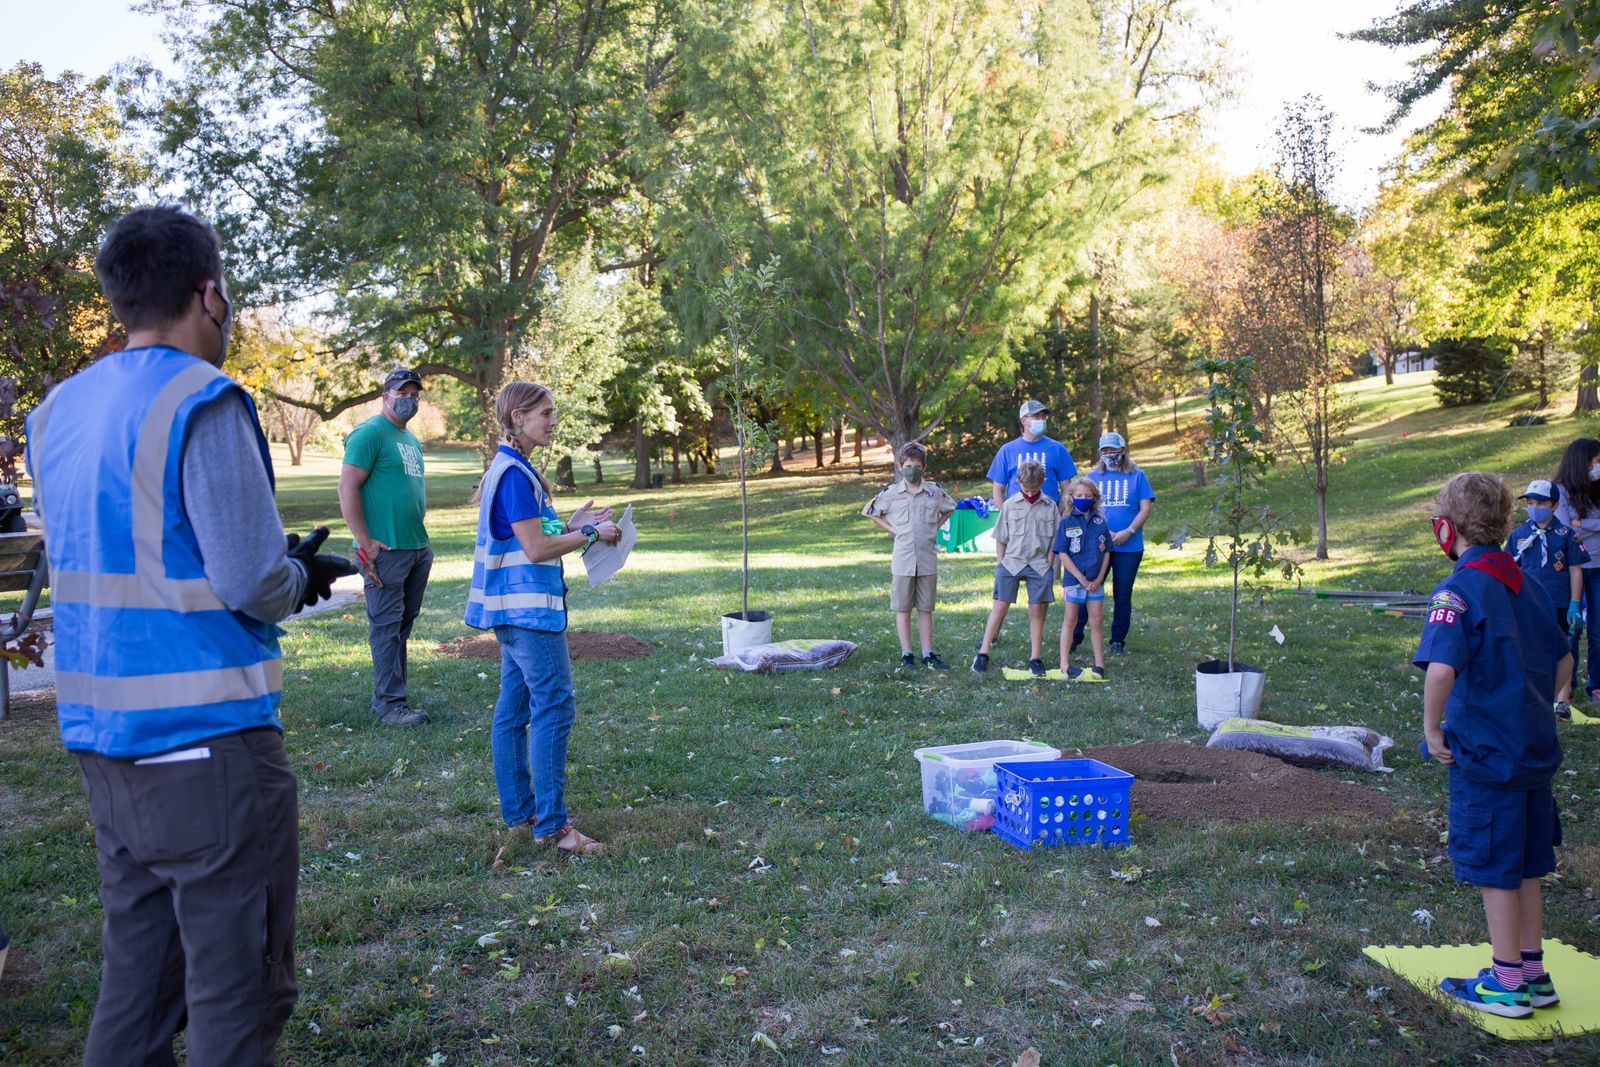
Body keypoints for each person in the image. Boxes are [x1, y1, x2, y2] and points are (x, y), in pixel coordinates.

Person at [24, 205, 355, 1065]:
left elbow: (137, 546)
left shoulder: (56, 411)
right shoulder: (203, 397)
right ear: (210, 295)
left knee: (140, 979)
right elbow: (249, 577)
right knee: (237, 989)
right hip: (208, 750)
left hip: (105, 743)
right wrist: (294, 575)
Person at [1416, 472, 1571, 1019]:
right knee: (1528, 864)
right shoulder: (1524, 582)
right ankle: (1532, 969)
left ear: (1446, 529)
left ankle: (1505, 982)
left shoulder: (1459, 589)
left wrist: (1433, 730)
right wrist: (1533, 701)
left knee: (1494, 867)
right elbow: (1564, 657)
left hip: (1486, 757)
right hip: (1532, 750)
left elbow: (1441, 669)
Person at [465, 381, 621, 856]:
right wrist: (592, 534)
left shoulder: (514, 468)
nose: (553, 421)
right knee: (554, 706)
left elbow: (532, 534)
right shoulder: (513, 473)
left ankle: (522, 812)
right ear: (518, 418)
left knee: (512, 712)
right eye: (546, 413)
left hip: (511, 613)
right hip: (529, 614)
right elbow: (534, 549)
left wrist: (572, 527)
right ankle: (553, 827)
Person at [340, 368, 433, 727]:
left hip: (415, 547)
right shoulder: (369, 434)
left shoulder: (409, 440)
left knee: (400, 627)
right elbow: (347, 488)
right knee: (386, 626)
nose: (409, 399)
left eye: (415, 393)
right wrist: (364, 542)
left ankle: (395, 697)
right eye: (402, 392)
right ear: (385, 395)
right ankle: (389, 706)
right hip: (385, 550)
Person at [861, 442, 958, 669]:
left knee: (925, 608)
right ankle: (907, 654)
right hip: (903, 560)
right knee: (903, 607)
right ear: (899, 466)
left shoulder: (934, 491)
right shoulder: (892, 493)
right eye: (907, 465)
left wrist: (935, 527)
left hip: (926, 558)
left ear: (923, 467)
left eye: (916, 465)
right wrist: (892, 530)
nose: (912, 469)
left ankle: (927, 653)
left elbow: (950, 507)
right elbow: (870, 511)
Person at [1507, 478, 1588, 718]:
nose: (1534, 507)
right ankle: (1533, 694)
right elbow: (1510, 567)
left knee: (1563, 646)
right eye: (1530, 502)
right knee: (1529, 647)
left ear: (1553, 505)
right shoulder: (1518, 535)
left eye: (1540, 503)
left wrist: (1575, 603)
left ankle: (1562, 699)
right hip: (1528, 602)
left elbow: (1575, 569)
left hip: (1559, 602)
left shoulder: (1566, 535)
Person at [1071, 432, 1155, 657]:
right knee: (1088, 588)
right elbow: (1083, 507)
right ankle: (1075, 636)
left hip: (1129, 546)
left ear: (1123, 450)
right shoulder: (1092, 478)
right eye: (1105, 450)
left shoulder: (1138, 476)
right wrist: (1103, 533)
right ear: (1100, 453)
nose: (1109, 454)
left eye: (1113, 450)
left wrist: (1129, 531)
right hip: (1098, 545)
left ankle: (1118, 639)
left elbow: (1145, 508)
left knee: (1122, 593)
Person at [972, 460, 1058, 676]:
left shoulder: (1051, 506)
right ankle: (983, 652)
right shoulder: (1010, 505)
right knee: (1000, 606)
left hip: (1039, 565)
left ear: (1043, 483)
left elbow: (1055, 539)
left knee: (1036, 610)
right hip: (1011, 562)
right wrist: (1001, 561)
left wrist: (1049, 563)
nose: (1029, 492)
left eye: (1034, 489)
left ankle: (1035, 657)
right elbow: (1001, 536)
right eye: (1025, 488)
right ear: (1018, 481)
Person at [1553, 438, 1600, 702]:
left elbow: (1578, 528)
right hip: (1574, 571)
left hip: (1599, 568)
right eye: (1596, 461)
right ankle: (1565, 686)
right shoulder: (1559, 492)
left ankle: (1596, 684)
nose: (1599, 467)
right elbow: (1566, 532)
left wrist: (1584, 524)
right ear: (1581, 463)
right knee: (1572, 629)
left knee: (1598, 630)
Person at [1054, 478, 1111, 683]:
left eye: (1088, 496)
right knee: (1071, 619)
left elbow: (1106, 553)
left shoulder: (1100, 522)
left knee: (1096, 621)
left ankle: (1099, 664)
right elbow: (1062, 553)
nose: (1083, 499)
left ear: (1095, 498)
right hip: (1073, 580)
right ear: (1072, 497)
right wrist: (1080, 578)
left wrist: (1099, 578)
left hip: (1095, 581)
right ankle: (1064, 663)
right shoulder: (1067, 521)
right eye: (1079, 496)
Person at [986, 399, 1076, 509]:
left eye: (1043, 416)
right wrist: (1005, 518)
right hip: (1016, 516)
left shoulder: (1058, 449)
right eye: (1036, 416)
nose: (1041, 420)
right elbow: (998, 490)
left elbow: (1066, 489)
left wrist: (1059, 516)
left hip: (1048, 516)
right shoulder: (1007, 451)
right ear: (1023, 420)